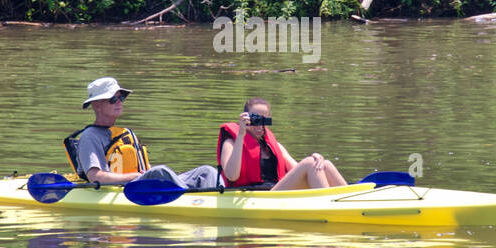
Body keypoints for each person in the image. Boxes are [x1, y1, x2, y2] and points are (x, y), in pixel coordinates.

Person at [65, 77, 222, 190]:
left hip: (139, 184)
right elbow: (96, 177)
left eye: (121, 98)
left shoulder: (124, 132)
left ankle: (220, 197)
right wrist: (133, 177)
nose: (119, 102)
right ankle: (190, 199)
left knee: (206, 172)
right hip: (125, 189)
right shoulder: (89, 137)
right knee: (160, 172)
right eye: (113, 99)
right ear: (97, 105)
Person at [218, 98, 346, 190]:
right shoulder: (231, 143)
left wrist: (317, 158)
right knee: (309, 162)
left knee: (324, 164)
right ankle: (328, 206)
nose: (260, 125)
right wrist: (241, 134)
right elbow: (232, 176)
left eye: (264, 120)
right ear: (246, 119)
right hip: (254, 196)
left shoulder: (275, 146)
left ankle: (351, 200)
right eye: (255, 120)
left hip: (276, 192)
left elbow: (299, 169)